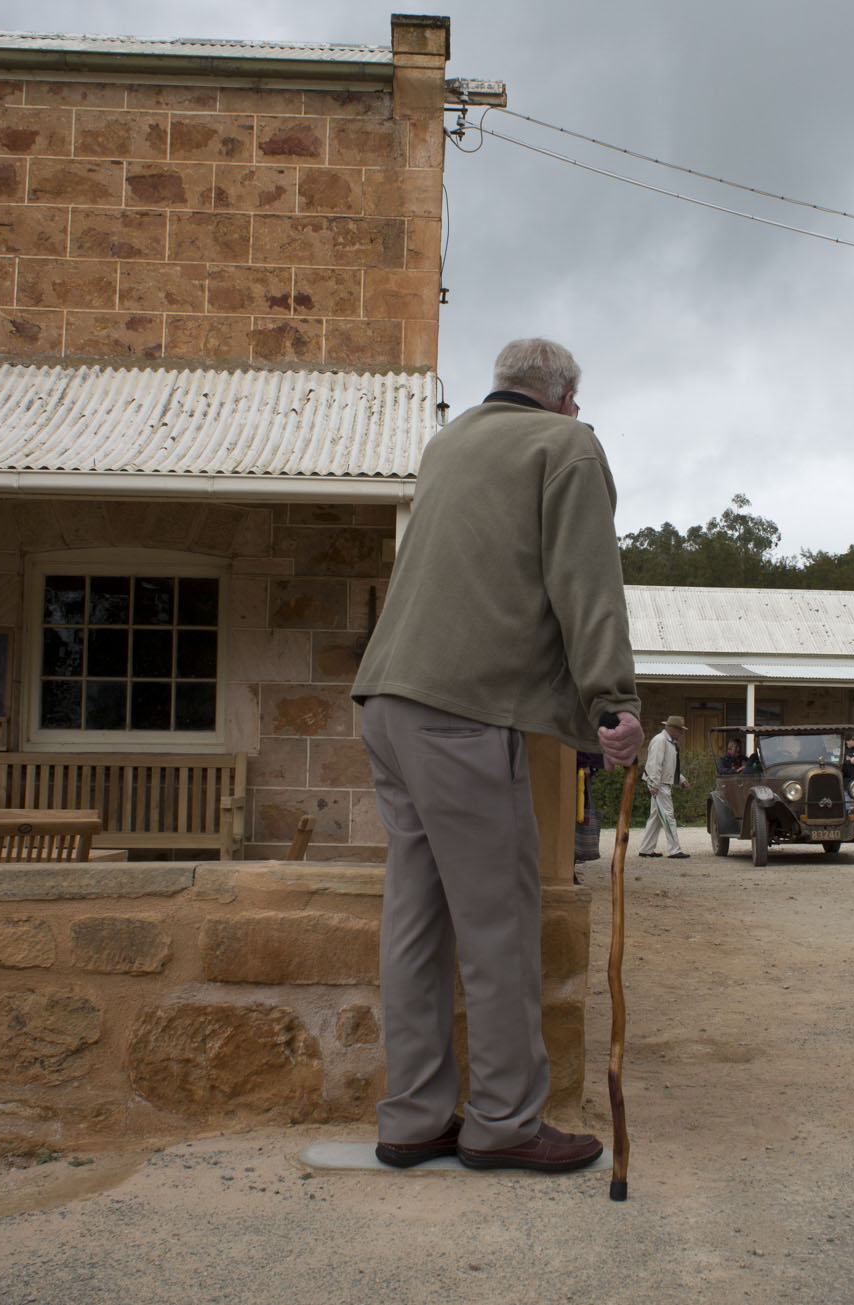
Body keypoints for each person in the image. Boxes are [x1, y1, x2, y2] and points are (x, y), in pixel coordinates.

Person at [352, 337, 642, 1174]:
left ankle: (412, 1116)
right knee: (499, 923)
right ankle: (506, 1122)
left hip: (386, 702)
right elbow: (586, 582)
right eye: (575, 403)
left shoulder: (448, 443)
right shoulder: (565, 445)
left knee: (416, 922)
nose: (579, 416)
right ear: (560, 397)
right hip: (459, 715)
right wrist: (613, 705)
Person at [636, 715, 690, 859]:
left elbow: (669, 766)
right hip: (659, 784)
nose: (681, 733)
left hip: (661, 783)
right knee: (668, 816)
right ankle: (675, 850)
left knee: (656, 818)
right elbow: (655, 764)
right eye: (680, 730)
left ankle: (646, 849)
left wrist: (682, 779)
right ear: (673, 729)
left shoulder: (669, 742)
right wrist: (653, 784)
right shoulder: (660, 741)